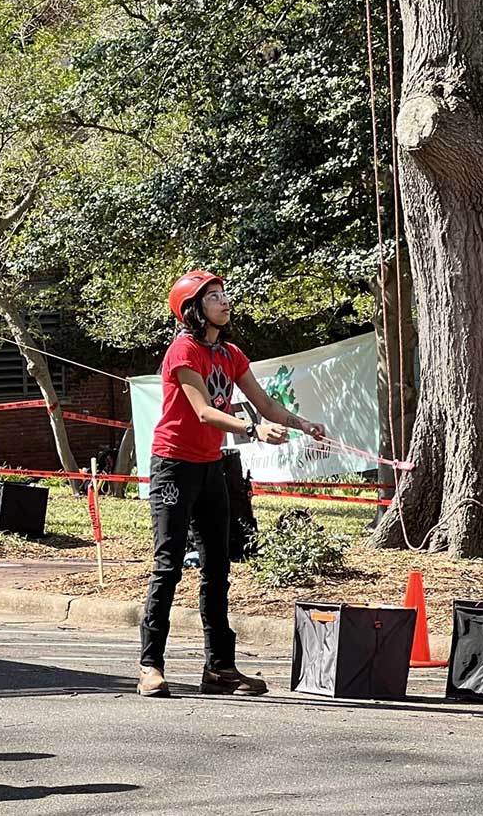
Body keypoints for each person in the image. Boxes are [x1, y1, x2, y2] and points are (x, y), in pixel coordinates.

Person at [138, 270, 328, 699]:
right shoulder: (182, 351)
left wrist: (300, 424)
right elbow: (204, 411)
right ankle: (151, 664)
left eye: (224, 295)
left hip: (210, 468)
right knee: (168, 565)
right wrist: (253, 430)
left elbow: (263, 402)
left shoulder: (231, 353)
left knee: (218, 566)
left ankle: (220, 668)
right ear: (192, 309)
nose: (225, 301)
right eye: (214, 297)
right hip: (174, 466)